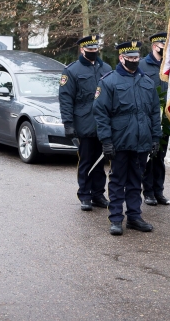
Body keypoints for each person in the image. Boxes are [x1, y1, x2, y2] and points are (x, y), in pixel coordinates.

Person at [93, 40, 161, 236]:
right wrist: (106, 141)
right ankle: (115, 218)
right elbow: (101, 114)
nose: (134, 60)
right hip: (119, 141)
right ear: (121, 58)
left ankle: (134, 217)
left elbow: (154, 113)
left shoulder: (147, 82)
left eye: (136, 57)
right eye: (130, 57)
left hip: (141, 141)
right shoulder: (109, 82)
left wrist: (155, 137)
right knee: (117, 181)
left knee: (135, 181)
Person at [59, 34, 113, 211]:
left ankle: (98, 194)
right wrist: (68, 123)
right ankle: (85, 194)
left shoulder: (106, 68)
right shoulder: (71, 71)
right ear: (82, 49)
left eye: (95, 48)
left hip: (103, 122)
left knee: (100, 161)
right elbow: (66, 99)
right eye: (90, 49)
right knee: (86, 160)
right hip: (84, 121)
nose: (93, 51)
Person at [138, 32, 170, 206]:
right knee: (149, 157)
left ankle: (159, 191)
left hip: (164, 120)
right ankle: (148, 192)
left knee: (160, 158)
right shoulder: (142, 65)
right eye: (162, 45)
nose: (165, 49)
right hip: (147, 118)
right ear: (154, 46)